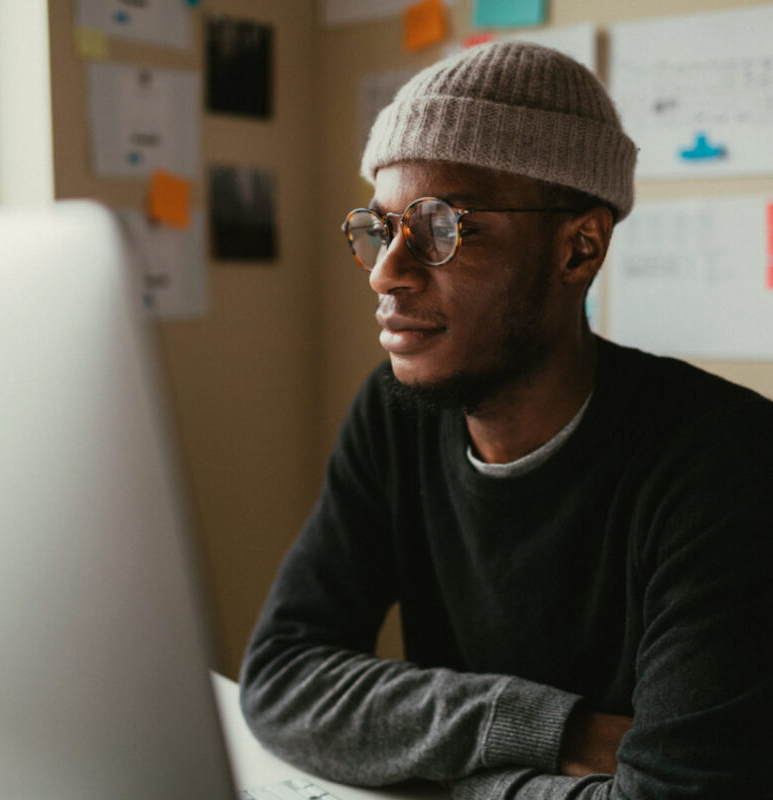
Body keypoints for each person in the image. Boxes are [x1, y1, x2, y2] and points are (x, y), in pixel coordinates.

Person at [240, 41, 773, 799]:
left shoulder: (727, 464)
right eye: (380, 228)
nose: (387, 272)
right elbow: (281, 676)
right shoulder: (392, 417)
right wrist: (551, 732)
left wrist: (427, 771)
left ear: (578, 249)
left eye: (439, 227)